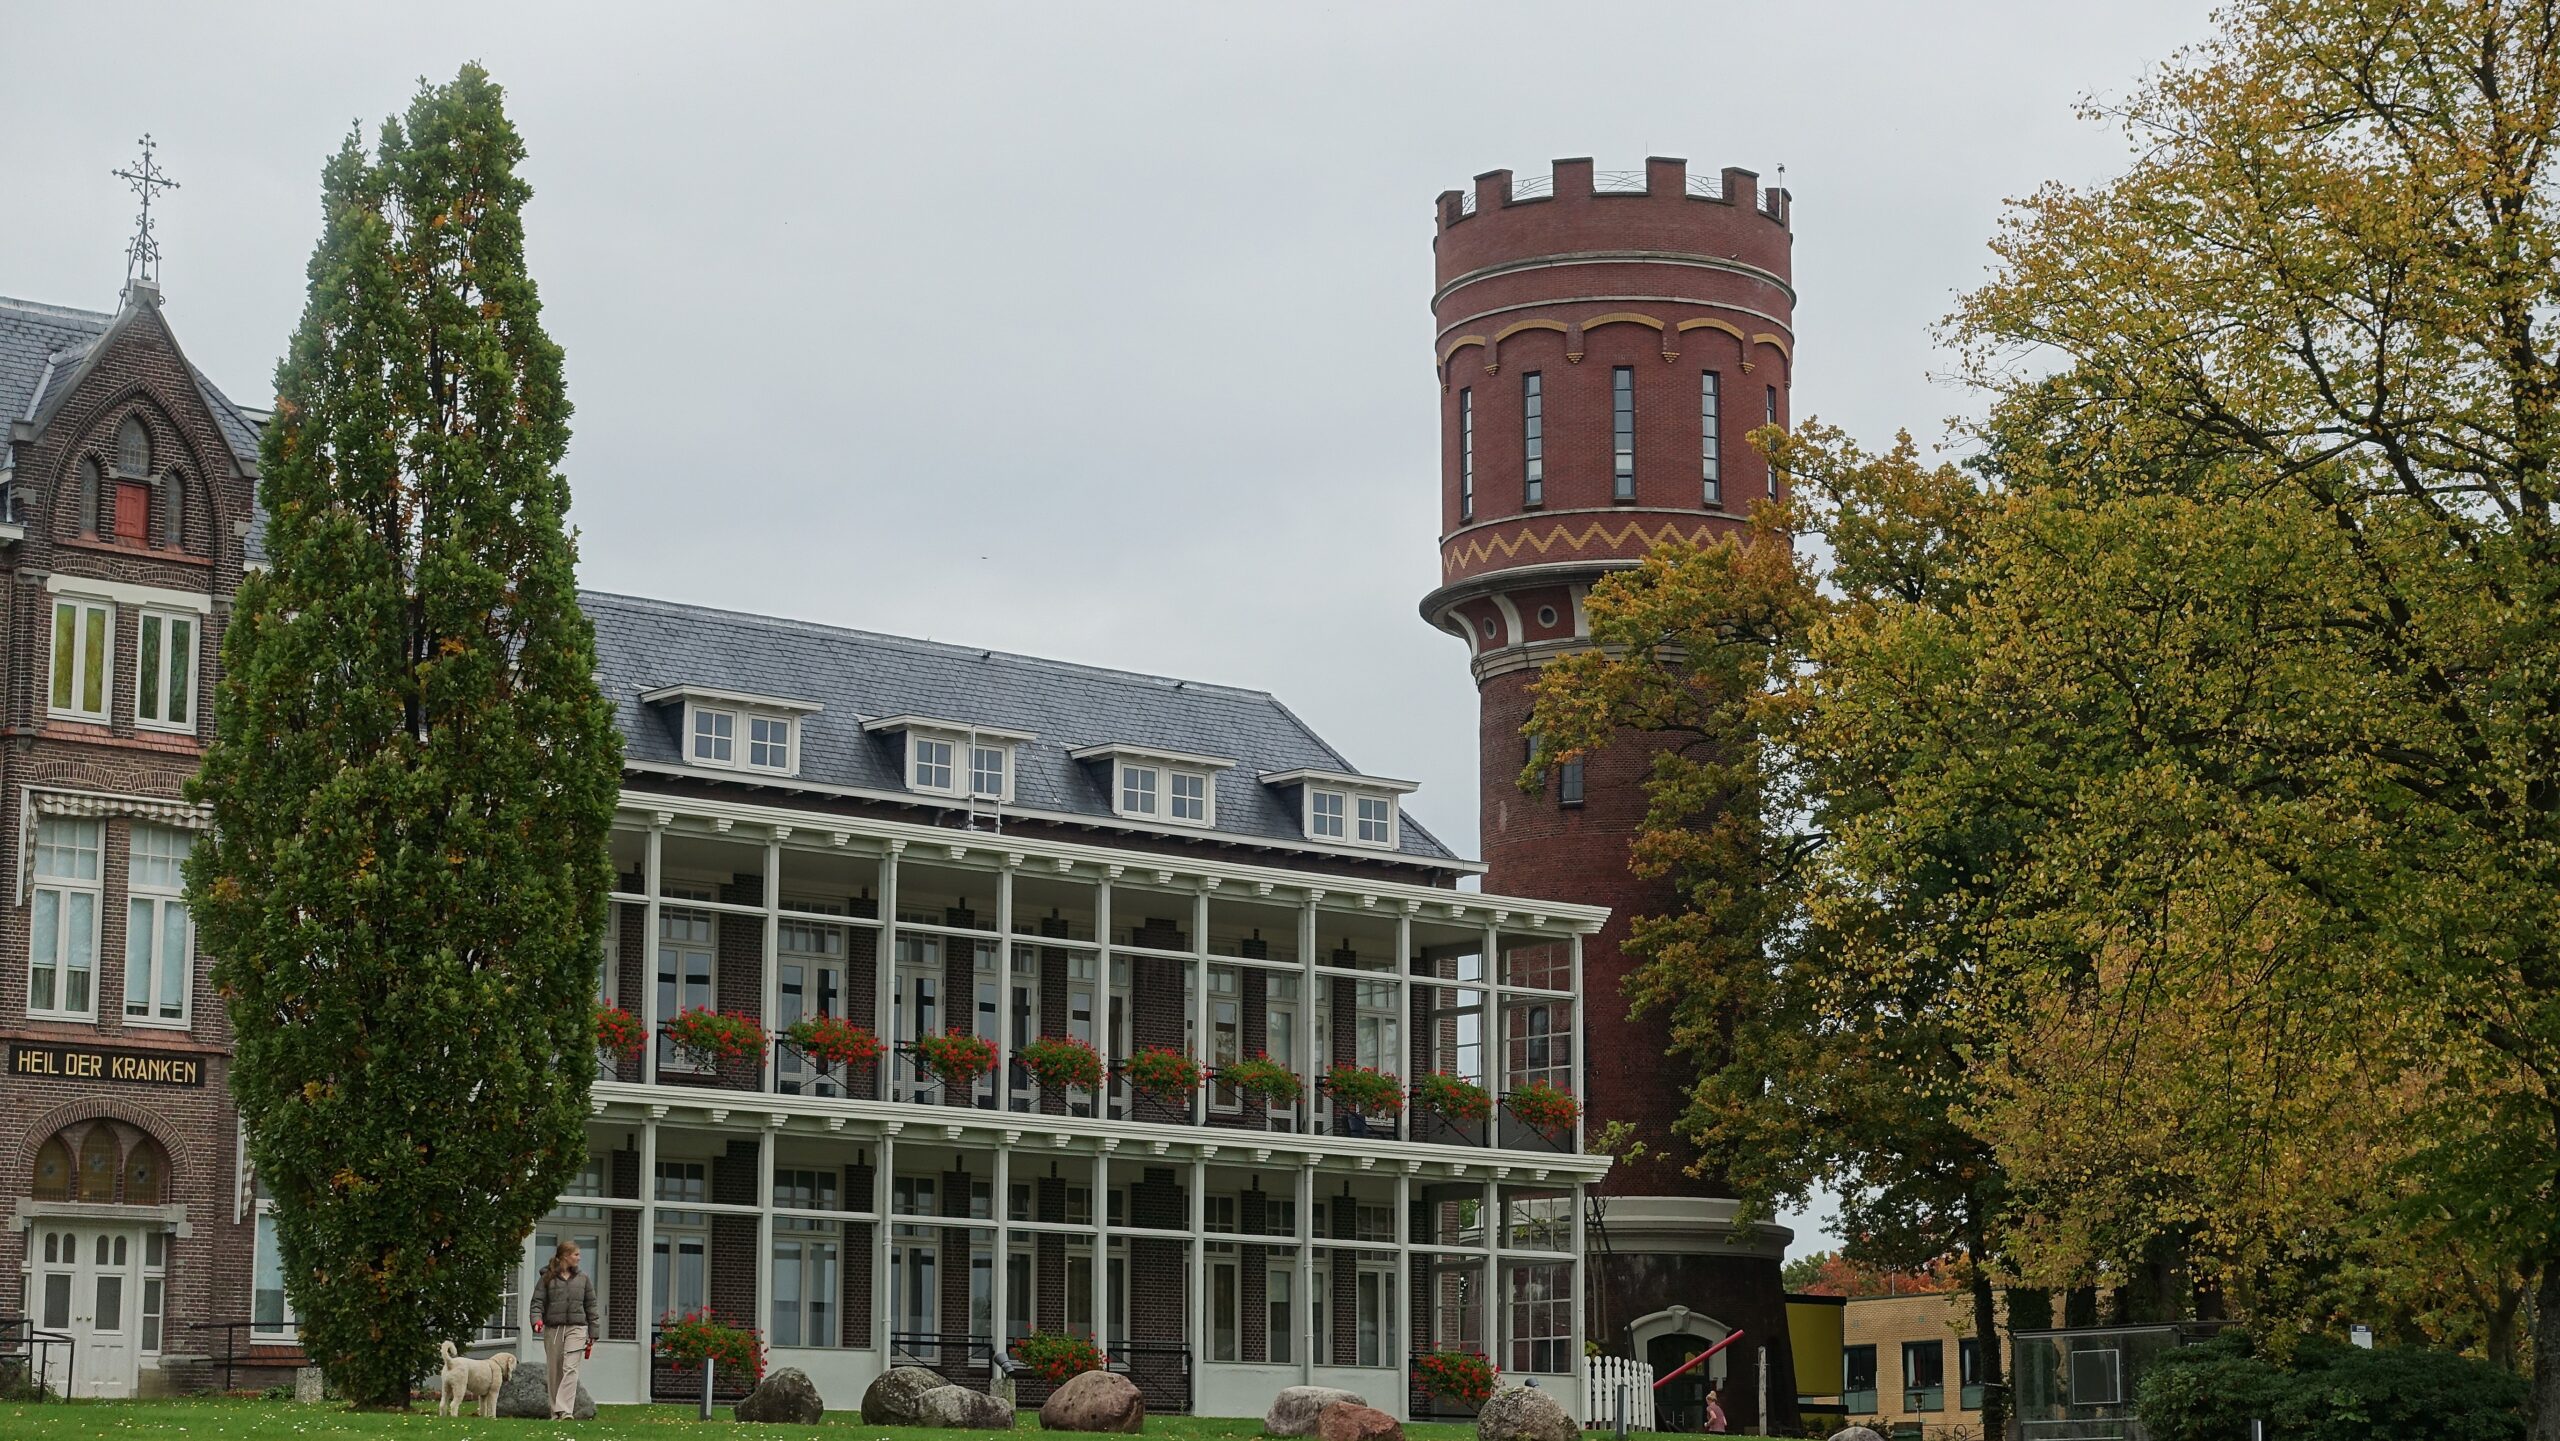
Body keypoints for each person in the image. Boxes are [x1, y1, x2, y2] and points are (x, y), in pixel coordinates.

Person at [530, 1239, 596, 1419]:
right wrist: (536, 1320)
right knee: (555, 1370)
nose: (579, 1258)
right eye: (576, 1255)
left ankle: (565, 1411)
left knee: (571, 1368)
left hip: (577, 1328)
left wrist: (593, 1332)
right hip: (554, 1329)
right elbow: (537, 1303)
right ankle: (555, 1412)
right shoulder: (547, 1278)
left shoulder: (583, 1279)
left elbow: (591, 1305)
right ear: (566, 1256)